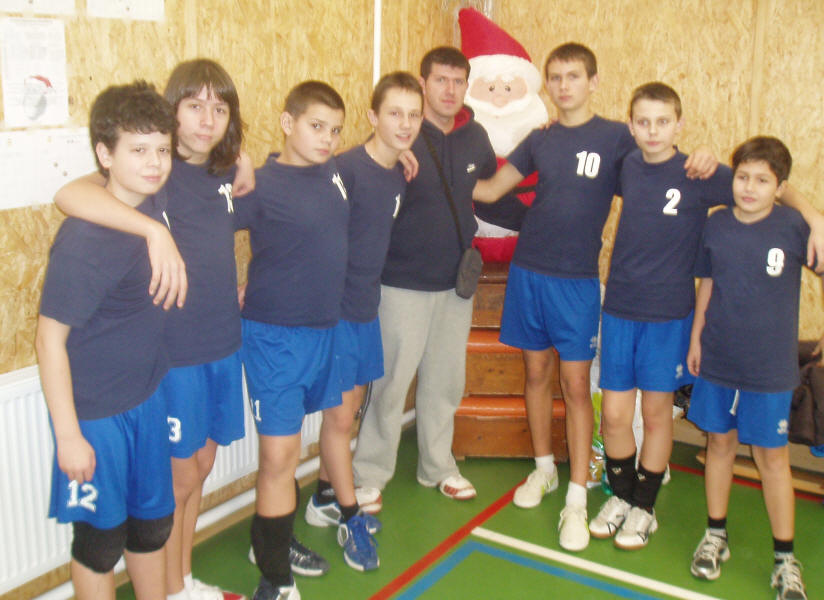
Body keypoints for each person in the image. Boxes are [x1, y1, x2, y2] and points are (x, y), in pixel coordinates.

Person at [472, 43, 718, 552]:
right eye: (556, 77)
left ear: (593, 82)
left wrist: (704, 156)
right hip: (529, 274)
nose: (564, 85)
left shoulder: (619, 139)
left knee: (576, 385)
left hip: (578, 282)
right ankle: (545, 470)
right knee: (535, 375)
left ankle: (578, 495)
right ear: (547, 84)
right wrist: (435, 163)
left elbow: (663, 168)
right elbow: (491, 190)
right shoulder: (540, 139)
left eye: (574, 76)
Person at [35, 81, 177, 600]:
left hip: (146, 400)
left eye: (162, 149)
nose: (154, 163)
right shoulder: (84, 240)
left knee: (152, 529)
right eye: (138, 150)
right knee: (101, 543)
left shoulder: (153, 200)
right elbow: (49, 341)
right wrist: (69, 436)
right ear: (105, 155)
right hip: (98, 417)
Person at [352, 46, 500, 509]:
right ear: (423, 83)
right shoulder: (402, 138)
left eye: (458, 81)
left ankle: (438, 466)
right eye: (440, 80)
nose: (450, 90)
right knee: (391, 384)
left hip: (455, 285)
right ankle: (369, 472)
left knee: (444, 383)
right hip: (401, 283)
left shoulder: (476, 137)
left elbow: (483, 189)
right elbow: (361, 171)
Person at [588, 83, 734, 550]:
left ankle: (644, 508)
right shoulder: (627, 164)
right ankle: (622, 498)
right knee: (614, 414)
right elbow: (581, 143)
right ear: (631, 126)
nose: (653, 131)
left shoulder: (698, 171)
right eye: (644, 122)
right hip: (620, 310)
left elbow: (763, 185)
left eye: (663, 122)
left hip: (668, 314)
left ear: (679, 124)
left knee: (655, 414)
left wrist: (813, 218)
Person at [235, 80, 355, 600]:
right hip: (274, 339)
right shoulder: (258, 185)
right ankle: (275, 580)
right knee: (280, 457)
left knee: (296, 449)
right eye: (316, 126)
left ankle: (270, 545)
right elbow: (202, 231)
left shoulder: (334, 173)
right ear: (288, 123)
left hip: (323, 333)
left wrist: (402, 154)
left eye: (335, 130)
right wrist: (224, 288)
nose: (327, 138)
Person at [304, 72, 424, 570]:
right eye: (394, 113)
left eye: (413, 115)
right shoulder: (344, 170)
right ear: (373, 116)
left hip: (363, 310)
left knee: (348, 414)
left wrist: (402, 154)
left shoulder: (398, 172)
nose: (405, 124)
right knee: (338, 419)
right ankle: (350, 516)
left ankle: (323, 498)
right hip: (333, 314)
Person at [686, 136, 814, 600]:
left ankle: (785, 559)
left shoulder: (795, 227)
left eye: (762, 180)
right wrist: (696, 337)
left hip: (769, 368)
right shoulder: (716, 223)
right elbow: (707, 283)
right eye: (742, 176)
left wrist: (815, 216)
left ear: (779, 187)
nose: (749, 187)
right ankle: (715, 535)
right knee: (719, 445)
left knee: (771, 459)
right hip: (718, 359)